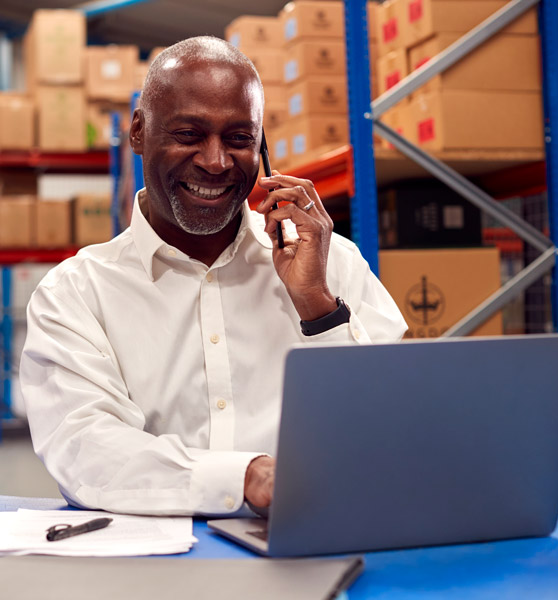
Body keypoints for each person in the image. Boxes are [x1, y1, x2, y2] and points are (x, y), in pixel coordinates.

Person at [21, 37, 407, 516]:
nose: (216, 161)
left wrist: (318, 307)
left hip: (309, 556)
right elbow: (85, 448)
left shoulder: (334, 266)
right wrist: (244, 477)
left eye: (239, 139)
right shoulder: (75, 294)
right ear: (138, 131)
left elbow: (393, 427)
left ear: (263, 149)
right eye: (188, 134)